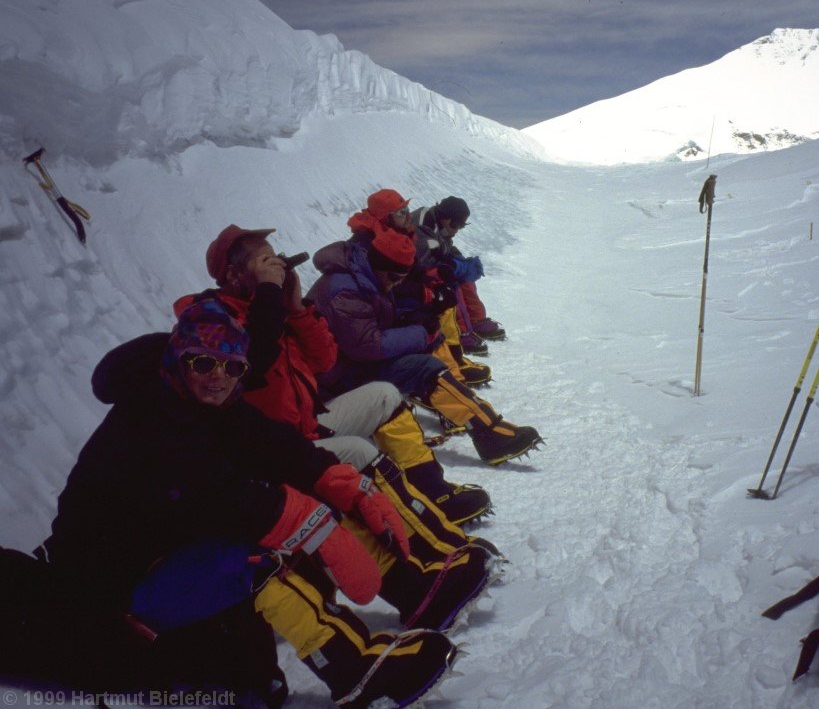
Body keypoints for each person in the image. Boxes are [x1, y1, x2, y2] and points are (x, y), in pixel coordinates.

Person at [33, 300, 460, 706]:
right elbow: (214, 495)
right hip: (111, 594)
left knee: (307, 501)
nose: (218, 376)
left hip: (160, 557)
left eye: (232, 366)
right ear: (178, 359)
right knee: (258, 556)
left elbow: (274, 444)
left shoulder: (203, 402)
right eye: (204, 362)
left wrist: (338, 479)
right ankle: (357, 672)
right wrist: (310, 522)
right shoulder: (146, 416)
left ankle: (414, 590)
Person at [180, 223, 493, 529]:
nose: (276, 269)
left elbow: (323, 361)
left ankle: (432, 490)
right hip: (271, 453)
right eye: (265, 263)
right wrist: (267, 296)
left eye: (276, 260)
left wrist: (297, 309)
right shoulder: (213, 322)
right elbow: (251, 365)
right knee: (362, 450)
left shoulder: (274, 309)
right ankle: (414, 523)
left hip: (305, 426)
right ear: (234, 275)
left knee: (383, 394)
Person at [307, 219, 542, 466]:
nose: (398, 283)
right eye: (397, 277)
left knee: (426, 357)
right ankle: (487, 431)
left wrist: (415, 321)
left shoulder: (366, 276)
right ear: (382, 267)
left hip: (345, 364)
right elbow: (369, 345)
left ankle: (481, 424)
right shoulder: (344, 290)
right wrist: (419, 332)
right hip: (335, 378)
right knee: (424, 368)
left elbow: (371, 327)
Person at [351, 190, 491, 387]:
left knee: (444, 295)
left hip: (389, 300)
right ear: (385, 216)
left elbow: (413, 268)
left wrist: (437, 283)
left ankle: (454, 359)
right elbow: (390, 281)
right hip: (382, 309)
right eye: (401, 212)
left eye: (406, 209)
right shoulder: (373, 242)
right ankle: (448, 369)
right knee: (432, 313)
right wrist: (426, 292)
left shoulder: (394, 233)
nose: (408, 214)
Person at [412, 195, 506, 343]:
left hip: (423, 266)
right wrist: (452, 264)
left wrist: (459, 259)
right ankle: (461, 332)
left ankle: (476, 319)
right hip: (411, 273)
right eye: (455, 224)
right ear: (445, 216)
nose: (457, 230)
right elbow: (423, 258)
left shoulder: (441, 226)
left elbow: (443, 248)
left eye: (461, 226)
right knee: (450, 278)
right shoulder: (424, 224)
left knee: (464, 275)